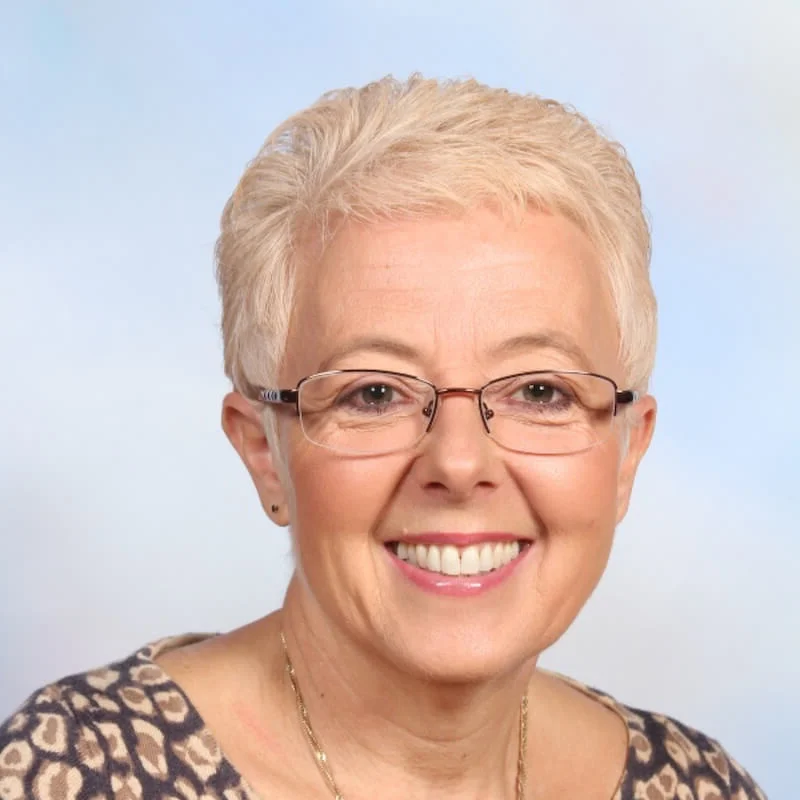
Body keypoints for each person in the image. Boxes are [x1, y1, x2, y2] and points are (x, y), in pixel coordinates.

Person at [0, 75, 765, 800]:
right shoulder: (78, 777)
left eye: (540, 391)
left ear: (628, 452)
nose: (458, 463)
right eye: (374, 394)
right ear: (264, 451)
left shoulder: (694, 785)